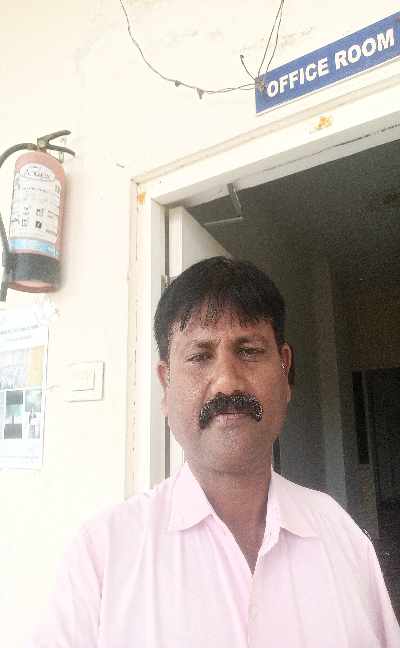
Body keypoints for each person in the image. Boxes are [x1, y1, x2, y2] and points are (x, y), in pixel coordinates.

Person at [29, 257, 400, 647]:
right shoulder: (103, 555)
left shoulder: (341, 534)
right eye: (199, 356)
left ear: (284, 370)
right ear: (166, 385)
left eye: (249, 350)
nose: (226, 382)